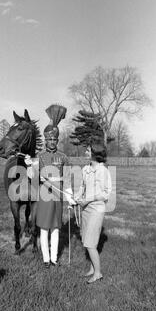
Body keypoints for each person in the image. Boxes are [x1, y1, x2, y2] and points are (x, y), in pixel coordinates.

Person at [35, 104, 75, 268]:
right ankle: (45, 259)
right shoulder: (40, 156)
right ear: (45, 140)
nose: (52, 142)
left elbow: (67, 179)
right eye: (49, 139)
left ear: (58, 140)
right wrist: (37, 175)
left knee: (56, 228)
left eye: (54, 139)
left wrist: (70, 197)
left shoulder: (63, 157)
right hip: (44, 196)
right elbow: (32, 177)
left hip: (58, 197)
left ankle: (54, 258)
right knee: (44, 228)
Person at [74, 142, 112, 284]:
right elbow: (82, 186)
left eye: (88, 151)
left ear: (96, 153)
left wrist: (87, 200)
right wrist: (77, 197)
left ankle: (98, 273)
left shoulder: (103, 171)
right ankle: (92, 268)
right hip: (85, 209)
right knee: (86, 238)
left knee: (90, 243)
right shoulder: (85, 169)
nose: (85, 152)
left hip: (96, 209)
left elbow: (105, 194)